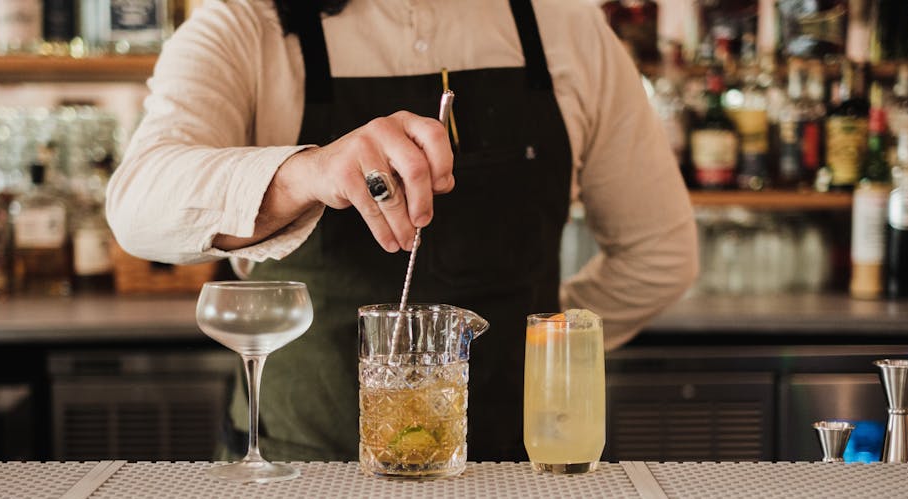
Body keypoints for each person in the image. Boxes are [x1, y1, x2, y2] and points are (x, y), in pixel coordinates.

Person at [106, 0, 699, 462]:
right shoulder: (246, 26)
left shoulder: (568, 27)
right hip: (301, 474)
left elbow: (659, 254)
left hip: (523, 480)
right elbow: (138, 208)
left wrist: (544, 350)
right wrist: (305, 173)